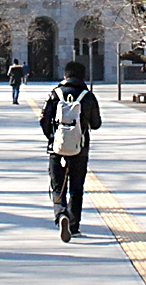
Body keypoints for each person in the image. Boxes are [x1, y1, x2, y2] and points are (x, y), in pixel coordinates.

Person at [39, 61, 101, 242]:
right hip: (80, 149)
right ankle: (74, 225)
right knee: (76, 188)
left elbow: (44, 119)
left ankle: (61, 215)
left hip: (57, 148)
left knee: (58, 186)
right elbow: (96, 124)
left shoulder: (55, 94)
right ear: (82, 76)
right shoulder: (88, 96)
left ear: (65, 75)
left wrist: (52, 137)